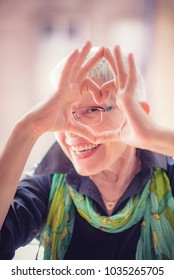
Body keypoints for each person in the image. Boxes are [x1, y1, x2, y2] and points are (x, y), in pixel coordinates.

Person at [0, 41, 174, 260]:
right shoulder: (45, 185)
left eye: (92, 110)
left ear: (136, 114)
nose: (72, 133)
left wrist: (156, 138)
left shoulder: (169, 175)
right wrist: (28, 129)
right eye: (63, 113)